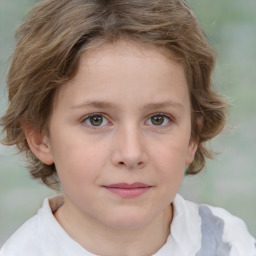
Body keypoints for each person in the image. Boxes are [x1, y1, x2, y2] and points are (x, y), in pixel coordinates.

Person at [0, 0, 255, 255]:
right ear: (40, 137)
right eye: (95, 120)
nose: (131, 154)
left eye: (158, 119)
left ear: (193, 137)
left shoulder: (229, 241)